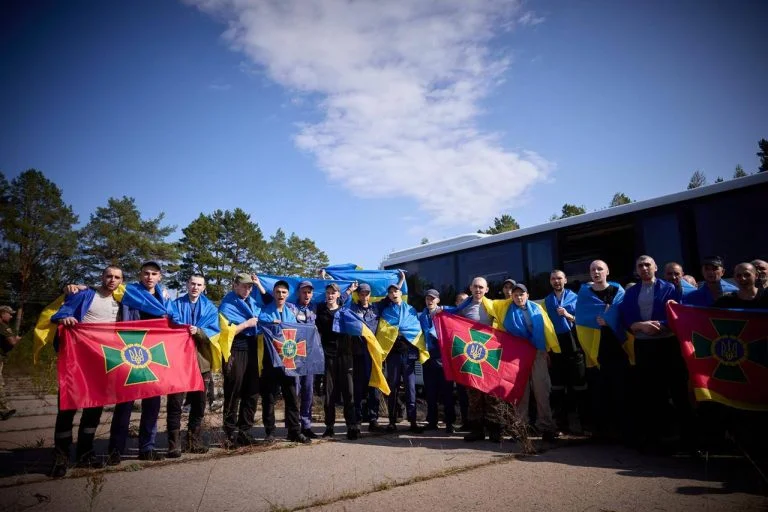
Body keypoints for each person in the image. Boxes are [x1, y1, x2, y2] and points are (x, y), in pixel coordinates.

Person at [48, 266, 124, 476]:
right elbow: (61, 313)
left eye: (117, 277)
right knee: (67, 409)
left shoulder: (121, 301)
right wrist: (64, 318)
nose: (112, 280)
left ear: (121, 281)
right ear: (102, 277)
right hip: (77, 362)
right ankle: (60, 458)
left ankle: (85, 454)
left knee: (94, 410)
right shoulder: (85, 294)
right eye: (109, 276)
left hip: (103, 363)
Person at [109, 261, 178, 463]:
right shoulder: (127, 291)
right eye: (146, 273)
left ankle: (147, 448)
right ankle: (115, 450)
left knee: (152, 405)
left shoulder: (164, 296)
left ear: (160, 277)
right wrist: (76, 288)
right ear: (140, 275)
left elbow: (174, 318)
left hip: (154, 355)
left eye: (154, 274)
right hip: (130, 350)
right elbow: (103, 290)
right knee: (125, 405)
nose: (149, 277)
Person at [621, 255, 691, 452]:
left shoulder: (669, 288)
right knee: (650, 392)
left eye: (647, 265)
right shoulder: (632, 292)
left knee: (677, 391)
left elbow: (678, 314)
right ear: (636, 269)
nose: (644, 268)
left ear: (655, 267)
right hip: (644, 348)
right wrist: (639, 325)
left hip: (667, 345)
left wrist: (662, 325)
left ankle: (687, 439)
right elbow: (626, 317)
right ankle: (655, 439)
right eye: (640, 265)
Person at [575, 260, 633, 443]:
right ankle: (604, 432)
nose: (596, 272)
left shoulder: (619, 293)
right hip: (596, 350)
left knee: (622, 390)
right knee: (600, 391)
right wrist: (599, 318)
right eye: (592, 269)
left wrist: (610, 319)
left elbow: (626, 315)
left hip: (618, 347)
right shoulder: (584, 295)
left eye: (600, 269)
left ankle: (625, 431)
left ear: (607, 271)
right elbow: (581, 319)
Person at [167, 274, 220, 457]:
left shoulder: (210, 309)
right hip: (178, 362)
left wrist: (199, 331)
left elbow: (214, 334)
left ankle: (193, 441)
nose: (195, 287)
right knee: (175, 403)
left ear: (204, 287)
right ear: (187, 284)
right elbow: (167, 326)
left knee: (199, 403)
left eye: (199, 285)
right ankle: (173, 444)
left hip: (201, 361)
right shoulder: (174, 305)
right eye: (192, 284)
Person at [348, 273, 404, 433]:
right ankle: (358, 420)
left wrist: (400, 281)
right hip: (358, 354)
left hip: (375, 355)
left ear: (370, 295)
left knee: (374, 388)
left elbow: (393, 296)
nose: (364, 296)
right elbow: (339, 303)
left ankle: (373, 420)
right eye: (361, 293)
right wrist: (348, 289)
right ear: (358, 294)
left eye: (367, 293)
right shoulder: (352, 308)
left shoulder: (376, 307)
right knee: (358, 389)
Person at [503, 283, 559, 442]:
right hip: (518, 356)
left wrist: (547, 350)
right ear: (512, 297)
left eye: (522, 294)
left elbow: (547, 330)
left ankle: (546, 427)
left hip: (538, 353)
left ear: (527, 295)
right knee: (521, 392)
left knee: (542, 389)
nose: (519, 297)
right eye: (515, 295)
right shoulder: (508, 313)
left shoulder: (538, 309)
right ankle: (521, 427)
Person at [257, 280, 310, 444]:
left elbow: (297, 334)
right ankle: (270, 432)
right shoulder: (264, 312)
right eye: (278, 292)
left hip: (287, 361)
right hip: (270, 360)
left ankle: (294, 431)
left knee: (292, 397)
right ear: (273, 293)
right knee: (269, 397)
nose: (280, 295)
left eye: (283, 292)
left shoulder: (290, 314)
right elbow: (259, 327)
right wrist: (271, 325)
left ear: (287, 295)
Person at [218, 273, 262, 446]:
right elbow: (224, 332)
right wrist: (246, 324)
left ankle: (245, 431)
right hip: (235, 350)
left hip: (252, 349)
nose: (247, 289)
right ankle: (229, 433)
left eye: (250, 287)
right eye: (244, 286)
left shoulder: (252, 303)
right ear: (235, 285)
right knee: (233, 391)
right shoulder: (227, 304)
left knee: (252, 391)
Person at [544, 270, 588, 434]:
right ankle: (561, 425)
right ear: (550, 281)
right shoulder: (547, 301)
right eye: (553, 279)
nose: (556, 281)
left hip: (574, 345)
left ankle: (585, 424)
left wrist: (568, 315)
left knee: (579, 386)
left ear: (565, 280)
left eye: (559, 278)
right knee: (558, 387)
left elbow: (583, 320)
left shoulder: (575, 297)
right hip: (556, 347)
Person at [381, 283, 425, 433]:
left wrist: (400, 331)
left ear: (401, 292)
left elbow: (415, 328)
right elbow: (384, 331)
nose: (394, 294)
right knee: (392, 387)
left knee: (411, 388)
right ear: (388, 295)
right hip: (393, 355)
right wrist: (394, 332)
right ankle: (392, 421)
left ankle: (413, 421)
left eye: (396, 291)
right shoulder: (386, 311)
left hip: (409, 355)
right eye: (391, 292)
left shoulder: (411, 309)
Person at [419, 289, 455, 433]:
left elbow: (459, 309)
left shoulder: (444, 313)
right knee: (430, 393)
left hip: (443, 359)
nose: (430, 301)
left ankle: (449, 423)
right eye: (428, 298)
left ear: (438, 300)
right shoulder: (422, 316)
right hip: (428, 358)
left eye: (433, 298)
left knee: (447, 393)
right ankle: (432, 421)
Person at [0, 306, 21, 421]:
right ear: (2, 313)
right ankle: (4, 410)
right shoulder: (3, 326)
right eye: (9, 314)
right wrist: (17, 339)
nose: (11, 316)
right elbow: (12, 342)